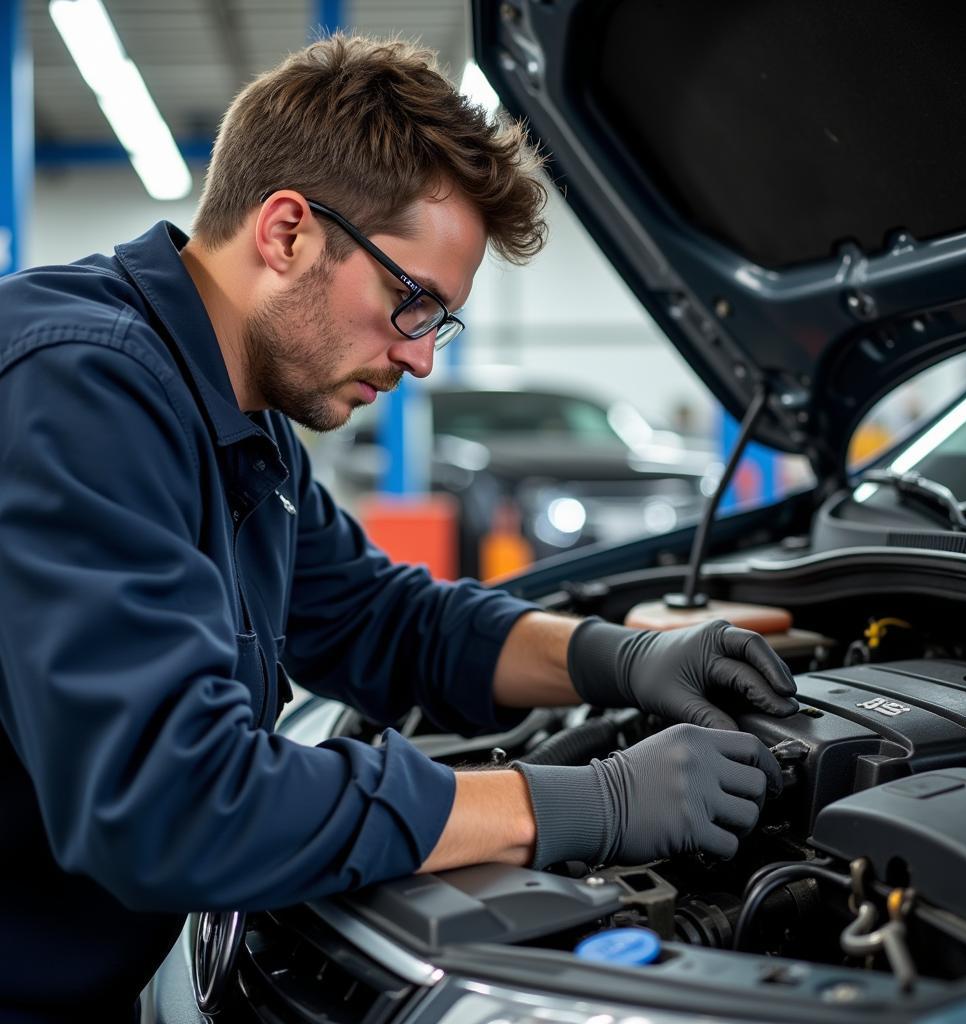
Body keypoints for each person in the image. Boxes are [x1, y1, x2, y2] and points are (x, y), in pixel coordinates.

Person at [0, 33, 798, 1021]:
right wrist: (586, 803)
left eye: (438, 320)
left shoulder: (240, 422)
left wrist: (621, 659)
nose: (420, 360)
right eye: (410, 302)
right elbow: (174, 805)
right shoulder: (77, 388)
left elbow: (382, 618)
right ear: (286, 231)